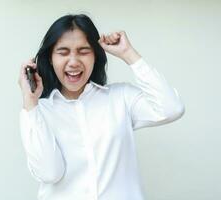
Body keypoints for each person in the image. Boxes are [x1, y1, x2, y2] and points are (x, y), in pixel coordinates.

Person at [18, 14, 185, 200]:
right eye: (63, 52)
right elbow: (49, 173)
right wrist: (30, 101)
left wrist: (128, 54)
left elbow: (172, 109)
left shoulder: (121, 98)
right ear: (50, 58)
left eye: (83, 51)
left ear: (96, 56)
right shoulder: (38, 112)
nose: (73, 62)